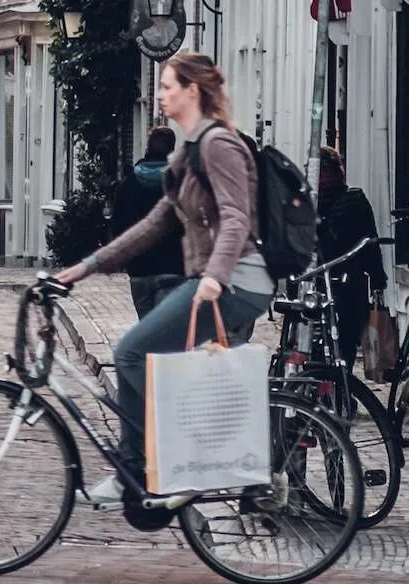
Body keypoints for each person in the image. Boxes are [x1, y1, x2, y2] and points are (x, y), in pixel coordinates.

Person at [53, 52, 274, 507]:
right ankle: (175, 460)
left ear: (193, 91)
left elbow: (235, 220)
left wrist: (213, 278)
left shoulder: (219, 145)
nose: (159, 95)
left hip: (236, 282)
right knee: (159, 365)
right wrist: (88, 266)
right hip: (219, 280)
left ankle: (139, 467)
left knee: (131, 353)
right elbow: (157, 223)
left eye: (168, 86)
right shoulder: (189, 152)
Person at [312, 145, 388, 365]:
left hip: (336, 285)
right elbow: (371, 243)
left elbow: (370, 243)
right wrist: (377, 280)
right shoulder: (353, 200)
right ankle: (336, 387)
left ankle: (330, 387)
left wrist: (377, 281)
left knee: (336, 344)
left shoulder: (349, 200)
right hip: (343, 285)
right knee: (342, 345)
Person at [111, 127, 185, 319]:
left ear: (147, 148)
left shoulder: (128, 186)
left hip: (139, 270)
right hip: (174, 268)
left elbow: (118, 225)